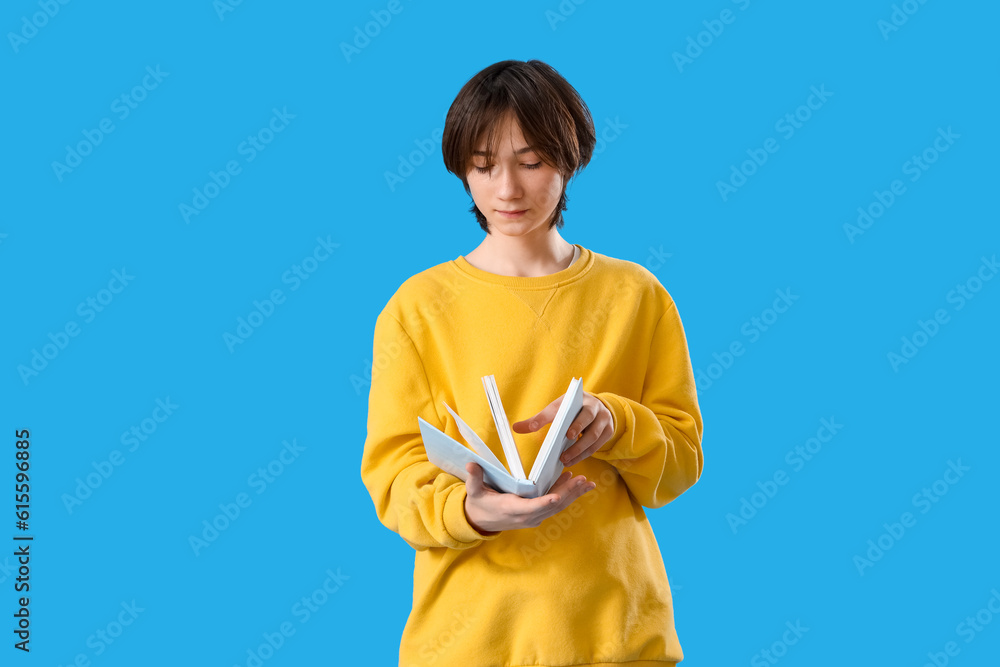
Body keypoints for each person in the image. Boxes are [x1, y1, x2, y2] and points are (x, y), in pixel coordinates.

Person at [360, 59, 704, 667]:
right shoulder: (417, 308)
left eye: (531, 162)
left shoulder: (637, 296)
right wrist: (468, 510)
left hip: (617, 639)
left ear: (570, 159)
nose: (507, 190)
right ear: (462, 171)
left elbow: (678, 468)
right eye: (484, 166)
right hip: (466, 644)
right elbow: (392, 476)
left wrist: (617, 422)